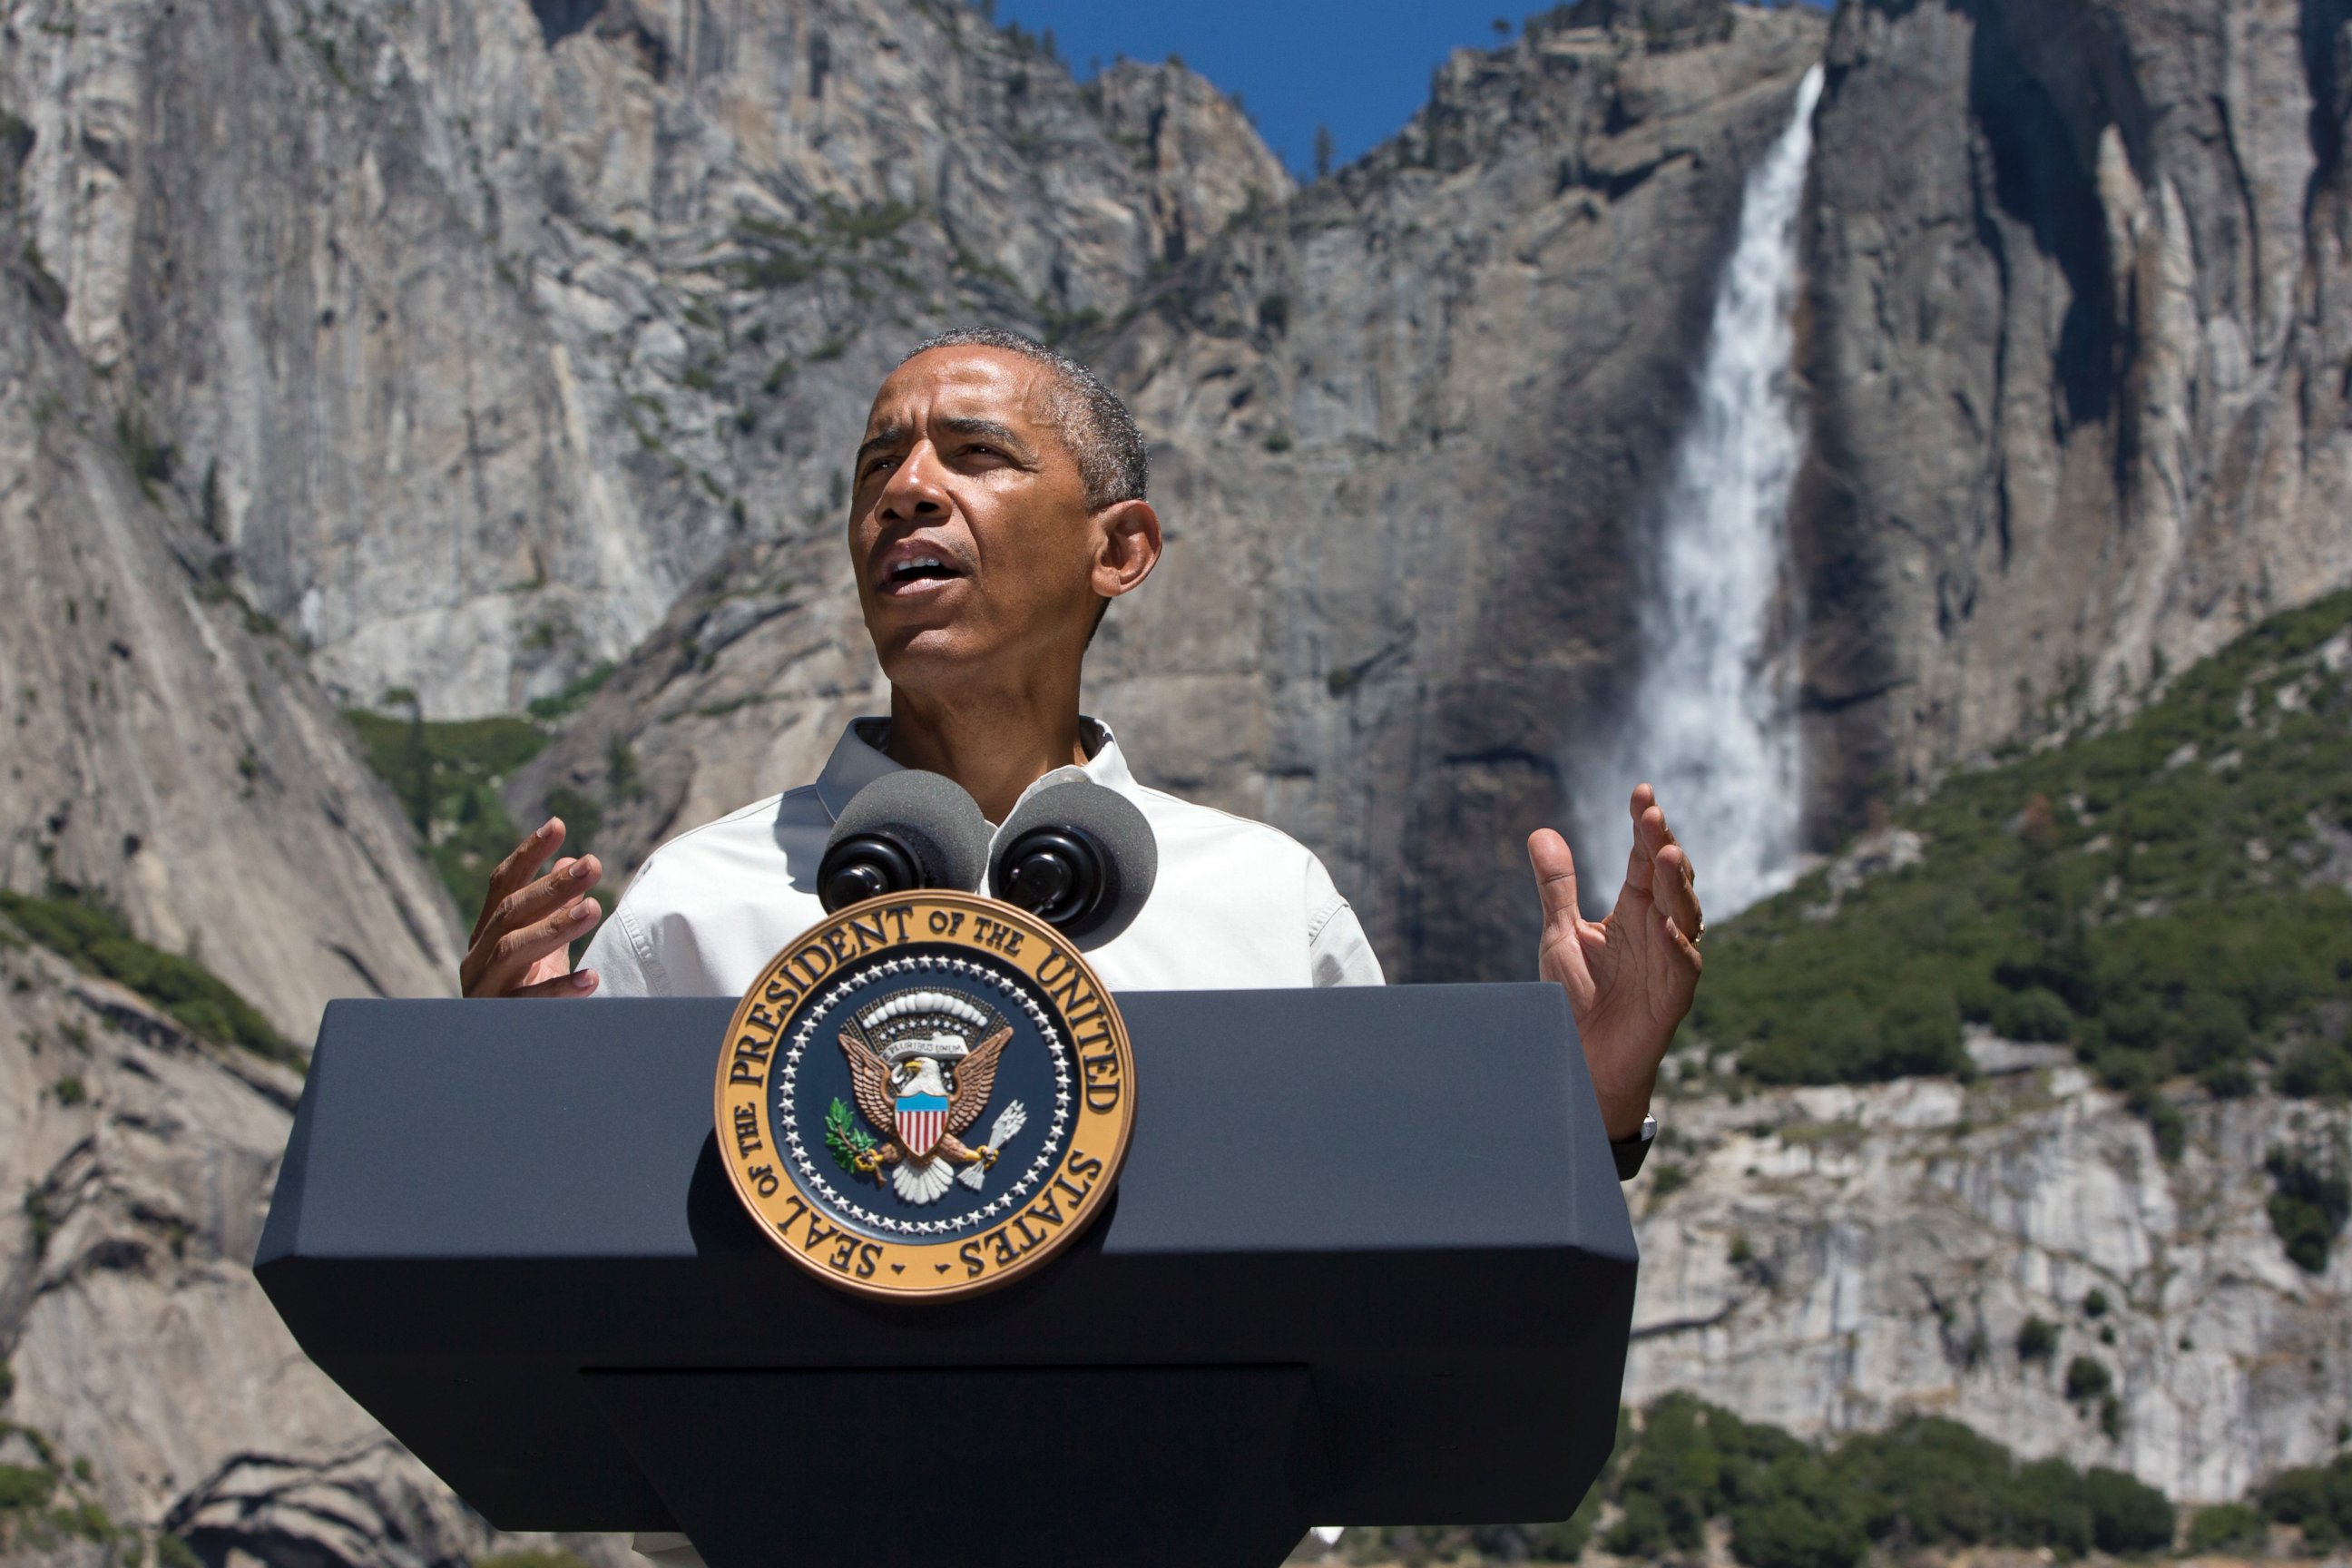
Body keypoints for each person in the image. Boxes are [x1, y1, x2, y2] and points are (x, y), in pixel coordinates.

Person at [460, 326, 1704, 1164]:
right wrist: (496, 1096)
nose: (907, 489)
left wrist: (1591, 1112)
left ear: (1121, 551)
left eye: (978, 455)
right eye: (879, 464)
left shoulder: (1271, 906)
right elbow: (546, 1264)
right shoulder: (693, 903)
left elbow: (1391, 1254)